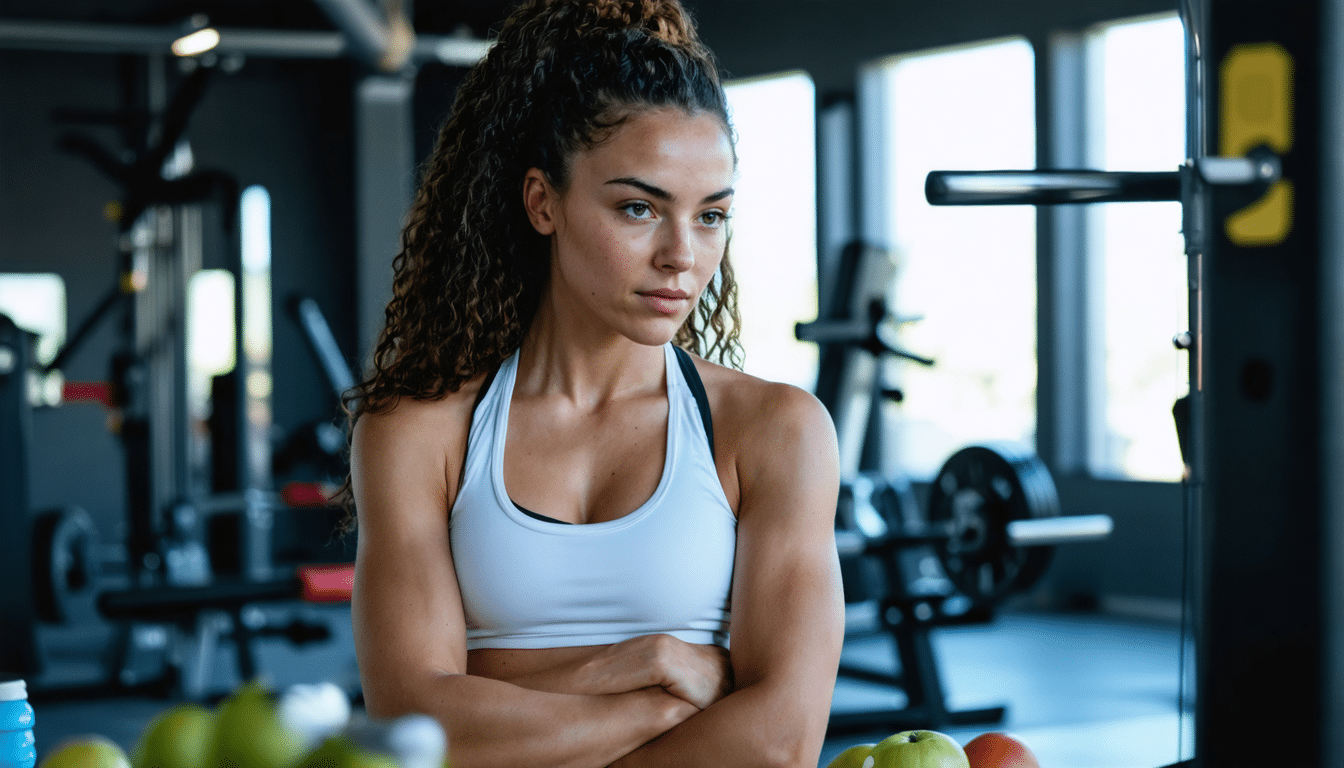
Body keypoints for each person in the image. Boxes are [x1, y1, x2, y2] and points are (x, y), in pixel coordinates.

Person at [344, 1, 844, 766]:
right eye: (639, 208)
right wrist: (651, 670)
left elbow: (781, 741)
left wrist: (498, 703)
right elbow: (417, 722)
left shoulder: (775, 431)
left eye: (710, 216)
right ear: (543, 202)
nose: (682, 256)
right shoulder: (418, 434)